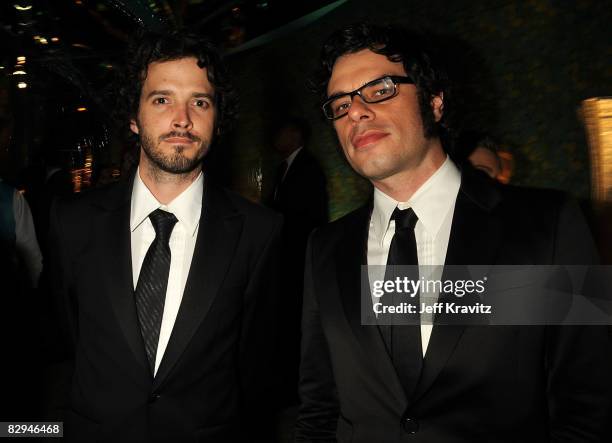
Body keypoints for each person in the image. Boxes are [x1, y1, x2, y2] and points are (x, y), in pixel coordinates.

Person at [294, 23, 612, 442]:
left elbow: (588, 404)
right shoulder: (326, 248)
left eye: (380, 89)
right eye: (339, 104)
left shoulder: (546, 224)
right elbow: (319, 410)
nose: (355, 111)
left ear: (434, 101)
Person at [47, 30, 282, 443]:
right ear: (134, 117)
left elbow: (258, 371)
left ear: (217, 119)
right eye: (162, 99)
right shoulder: (73, 222)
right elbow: (59, 348)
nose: (182, 119)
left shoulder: (260, 232)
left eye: (200, 102)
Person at [266, 117, 328, 408]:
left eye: (280, 131)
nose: (275, 138)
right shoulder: (282, 169)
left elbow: (309, 217)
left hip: (299, 259)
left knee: (296, 324)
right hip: (284, 261)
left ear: (294, 133)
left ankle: (294, 389)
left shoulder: (309, 168)